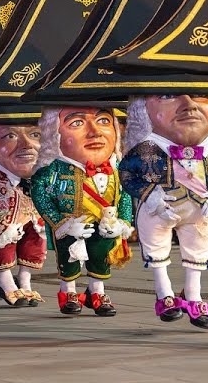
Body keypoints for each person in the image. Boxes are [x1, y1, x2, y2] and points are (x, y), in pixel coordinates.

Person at [118, 93, 208, 329]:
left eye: (201, 95)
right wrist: (149, 195)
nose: (189, 105)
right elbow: (126, 174)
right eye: (169, 96)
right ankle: (163, 291)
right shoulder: (146, 149)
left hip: (201, 209)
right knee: (156, 247)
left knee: (199, 250)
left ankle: (194, 295)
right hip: (159, 209)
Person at [29, 106, 135, 317]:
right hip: (72, 225)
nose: (95, 132)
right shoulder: (53, 170)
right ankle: (67, 292)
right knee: (69, 258)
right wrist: (62, 224)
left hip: (104, 223)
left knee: (101, 256)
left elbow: (124, 196)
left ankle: (97, 292)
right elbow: (40, 195)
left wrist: (122, 223)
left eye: (104, 121)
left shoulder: (117, 168)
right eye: (76, 123)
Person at [0, 123, 47, 307]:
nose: (27, 145)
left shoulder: (36, 179)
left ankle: (25, 282)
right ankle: (5, 283)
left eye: (35, 134)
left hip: (31, 222)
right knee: (3, 248)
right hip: (2, 225)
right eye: (11, 136)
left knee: (33, 246)